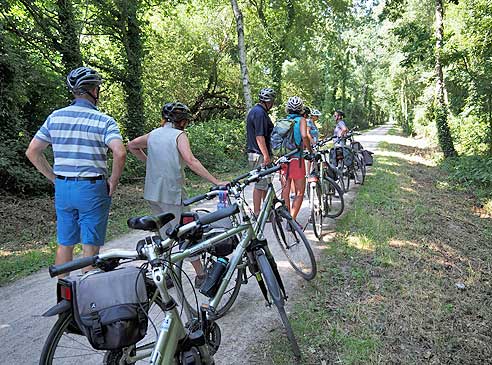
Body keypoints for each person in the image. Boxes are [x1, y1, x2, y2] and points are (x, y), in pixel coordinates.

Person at [25, 66, 127, 276]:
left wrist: (54, 178)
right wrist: (114, 182)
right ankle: (87, 298)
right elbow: (120, 152)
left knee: (65, 243)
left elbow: (33, 151)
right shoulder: (104, 121)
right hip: (92, 188)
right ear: (94, 91)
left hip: (63, 187)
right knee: (89, 246)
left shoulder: (55, 117)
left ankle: (65, 299)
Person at [128, 101, 226, 287]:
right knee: (186, 232)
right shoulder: (179, 135)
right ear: (182, 121)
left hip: (152, 192)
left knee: (165, 235)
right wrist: (216, 181)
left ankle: (168, 273)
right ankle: (201, 275)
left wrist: (149, 162)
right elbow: (190, 160)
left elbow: (132, 145)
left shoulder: (153, 134)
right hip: (171, 193)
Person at [280, 96, 312, 223]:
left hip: (283, 160)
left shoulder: (283, 120)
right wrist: (310, 150)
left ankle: (287, 216)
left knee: (285, 192)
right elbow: (304, 136)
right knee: (299, 192)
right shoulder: (302, 120)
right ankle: (292, 220)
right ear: (301, 109)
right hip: (296, 160)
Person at [246, 87, 276, 216]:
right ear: (268, 102)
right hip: (259, 154)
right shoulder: (260, 113)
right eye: (272, 101)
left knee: (264, 183)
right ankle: (258, 212)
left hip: (257, 153)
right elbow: (260, 136)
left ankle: (266, 211)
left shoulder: (256, 111)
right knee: (259, 184)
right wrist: (266, 156)